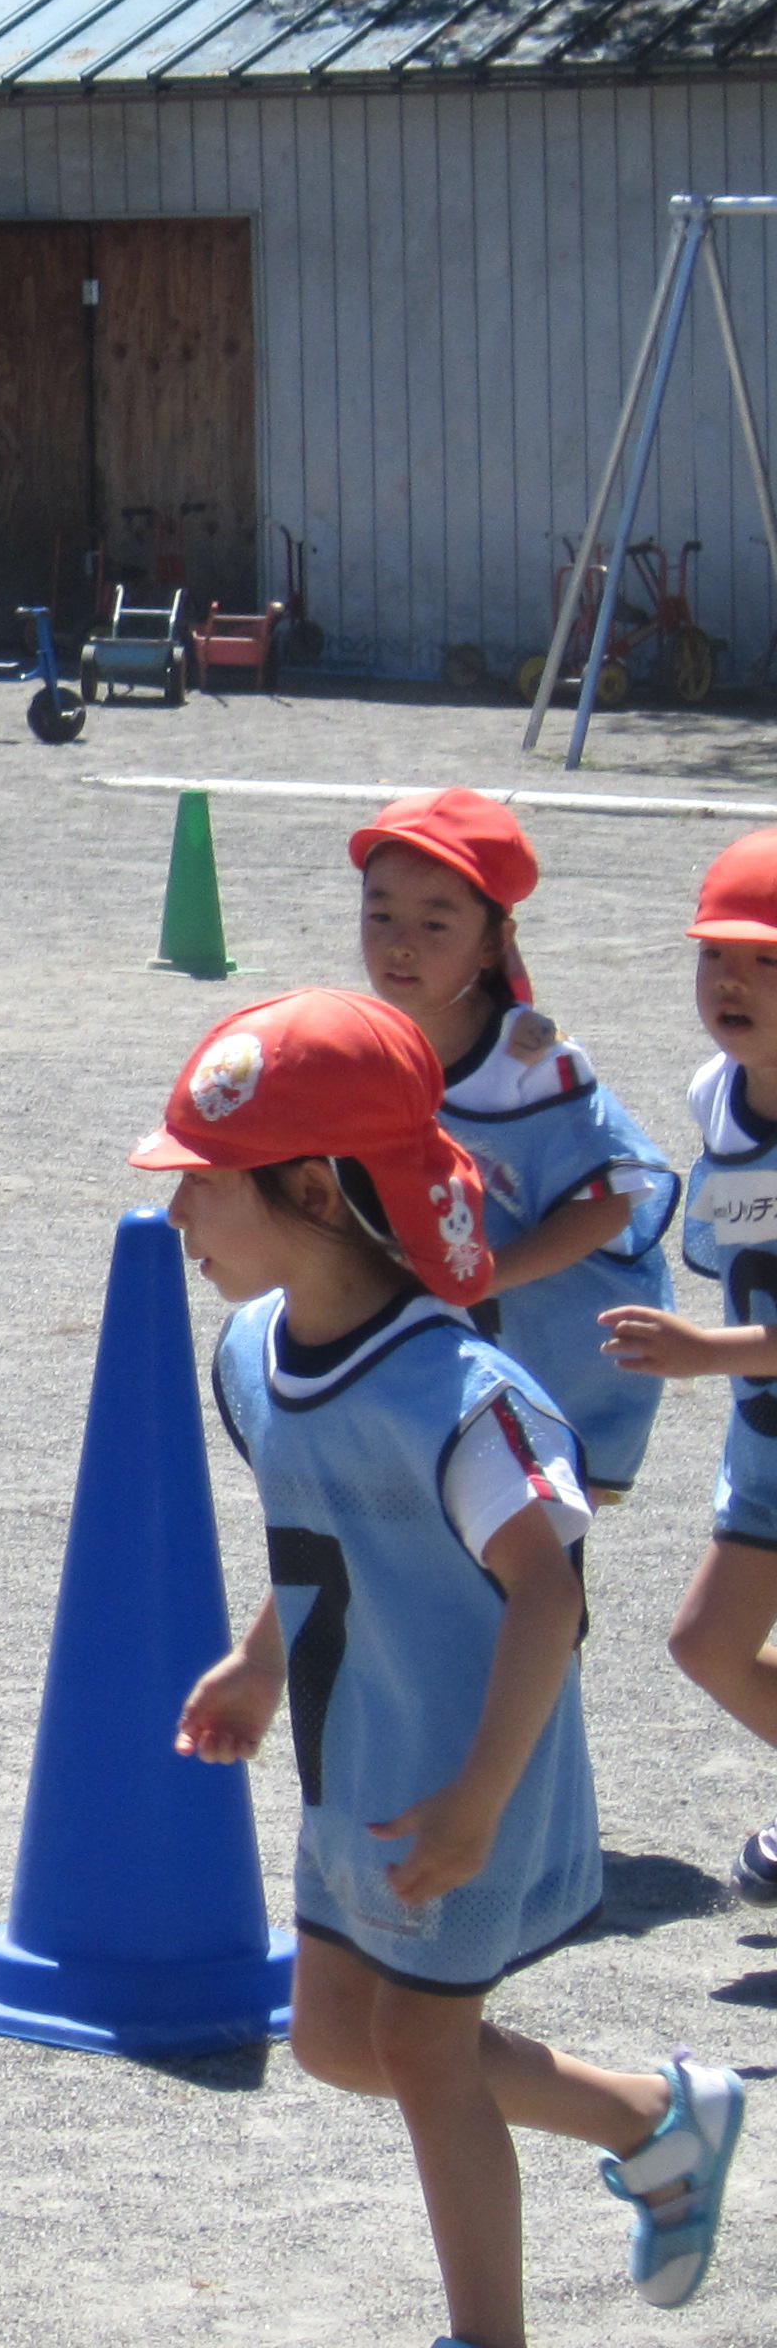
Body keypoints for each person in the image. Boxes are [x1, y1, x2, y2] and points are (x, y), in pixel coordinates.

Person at [159, 987, 740, 2348]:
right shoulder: (252, 1355)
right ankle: (654, 2118)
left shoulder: (461, 1398)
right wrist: (257, 1663)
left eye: (201, 1183)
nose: (178, 1214)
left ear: (308, 1186)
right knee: (331, 2042)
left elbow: (547, 1595)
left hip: (480, 1762)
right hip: (355, 1754)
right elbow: (325, 1538)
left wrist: (481, 1795)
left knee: (422, 2050)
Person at [345, 791, 673, 1501]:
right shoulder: (364, 1046)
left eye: (436, 922)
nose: (401, 942)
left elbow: (611, 1205)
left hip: (560, 1343)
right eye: (381, 914)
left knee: (533, 1551)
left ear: (494, 943)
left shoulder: (533, 1065)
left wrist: (486, 1275)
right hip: (459, 1339)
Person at [603, 828, 777, 1904]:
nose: (733, 979)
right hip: (762, 1449)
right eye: (716, 954)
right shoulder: (716, 1092)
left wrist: (705, 1353)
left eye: (768, 960)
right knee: (709, 1644)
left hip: (746, 1396)